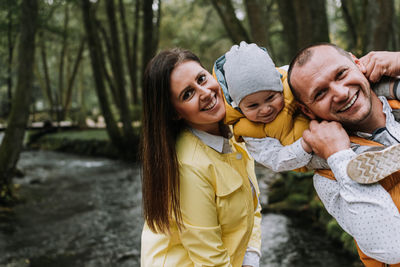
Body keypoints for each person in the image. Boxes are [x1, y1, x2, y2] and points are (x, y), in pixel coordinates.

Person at [140, 48, 261, 267]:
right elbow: (209, 261)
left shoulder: (234, 133)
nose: (205, 92)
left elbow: (253, 207)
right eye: (188, 94)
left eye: (201, 79)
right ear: (175, 113)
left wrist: (250, 260)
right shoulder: (187, 166)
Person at [214, 41, 400, 182]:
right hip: (308, 150)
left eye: (270, 98)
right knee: (326, 152)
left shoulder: (292, 80)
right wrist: (305, 146)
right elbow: (275, 160)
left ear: (279, 86)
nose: (265, 109)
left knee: (365, 83)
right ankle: (369, 158)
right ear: (239, 107)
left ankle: (395, 87)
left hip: (324, 118)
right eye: (253, 106)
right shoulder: (250, 134)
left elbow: (316, 66)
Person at [287, 43, 400, 266]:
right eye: (320, 93)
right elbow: (392, 247)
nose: (340, 93)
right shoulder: (329, 176)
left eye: (341, 74)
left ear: (356, 63)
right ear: (308, 111)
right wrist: (339, 156)